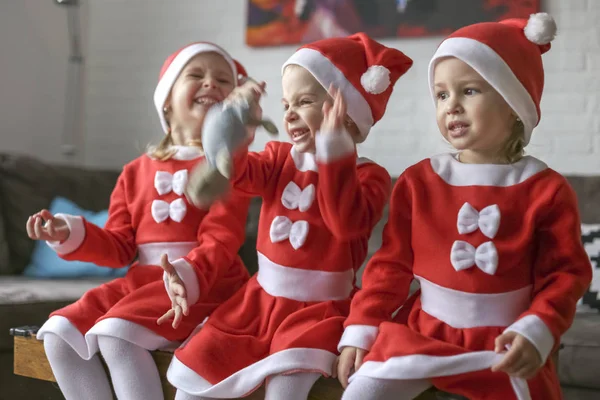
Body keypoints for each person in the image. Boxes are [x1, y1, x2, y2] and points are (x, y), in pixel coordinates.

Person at [336, 13, 593, 400]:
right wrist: (362, 326)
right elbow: (389, 266)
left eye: (469, 91)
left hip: (503, 343)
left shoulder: (546, 190)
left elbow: (565, 275)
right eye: (442, 95)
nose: (452, 105)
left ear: (512, 103)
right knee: (361, 393)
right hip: (422, 332)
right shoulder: (419, 181)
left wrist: (536, 329)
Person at [165, 32, 413, 400]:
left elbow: (346, 224)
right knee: (194, 377)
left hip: (319, 313)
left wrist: (333, 153)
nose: (290, 113)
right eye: (286, 104)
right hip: (259, 303)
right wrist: (236, 123)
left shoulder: (368, 175)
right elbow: (237, 172)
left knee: (287, 386)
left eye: (305, 101)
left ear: (347, 114)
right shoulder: (279, 157)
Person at [28, 42, 252, 400]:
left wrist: (187, 277)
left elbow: (220, 241)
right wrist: (68, 232)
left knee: (117, 336)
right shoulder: (134, 173)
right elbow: (119, 248)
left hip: (207, 284)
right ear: (166, 99)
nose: (211, 83)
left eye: (223, 79)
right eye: (196, 75)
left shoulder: (233, 167)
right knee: (58, 335)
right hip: (142, 284)